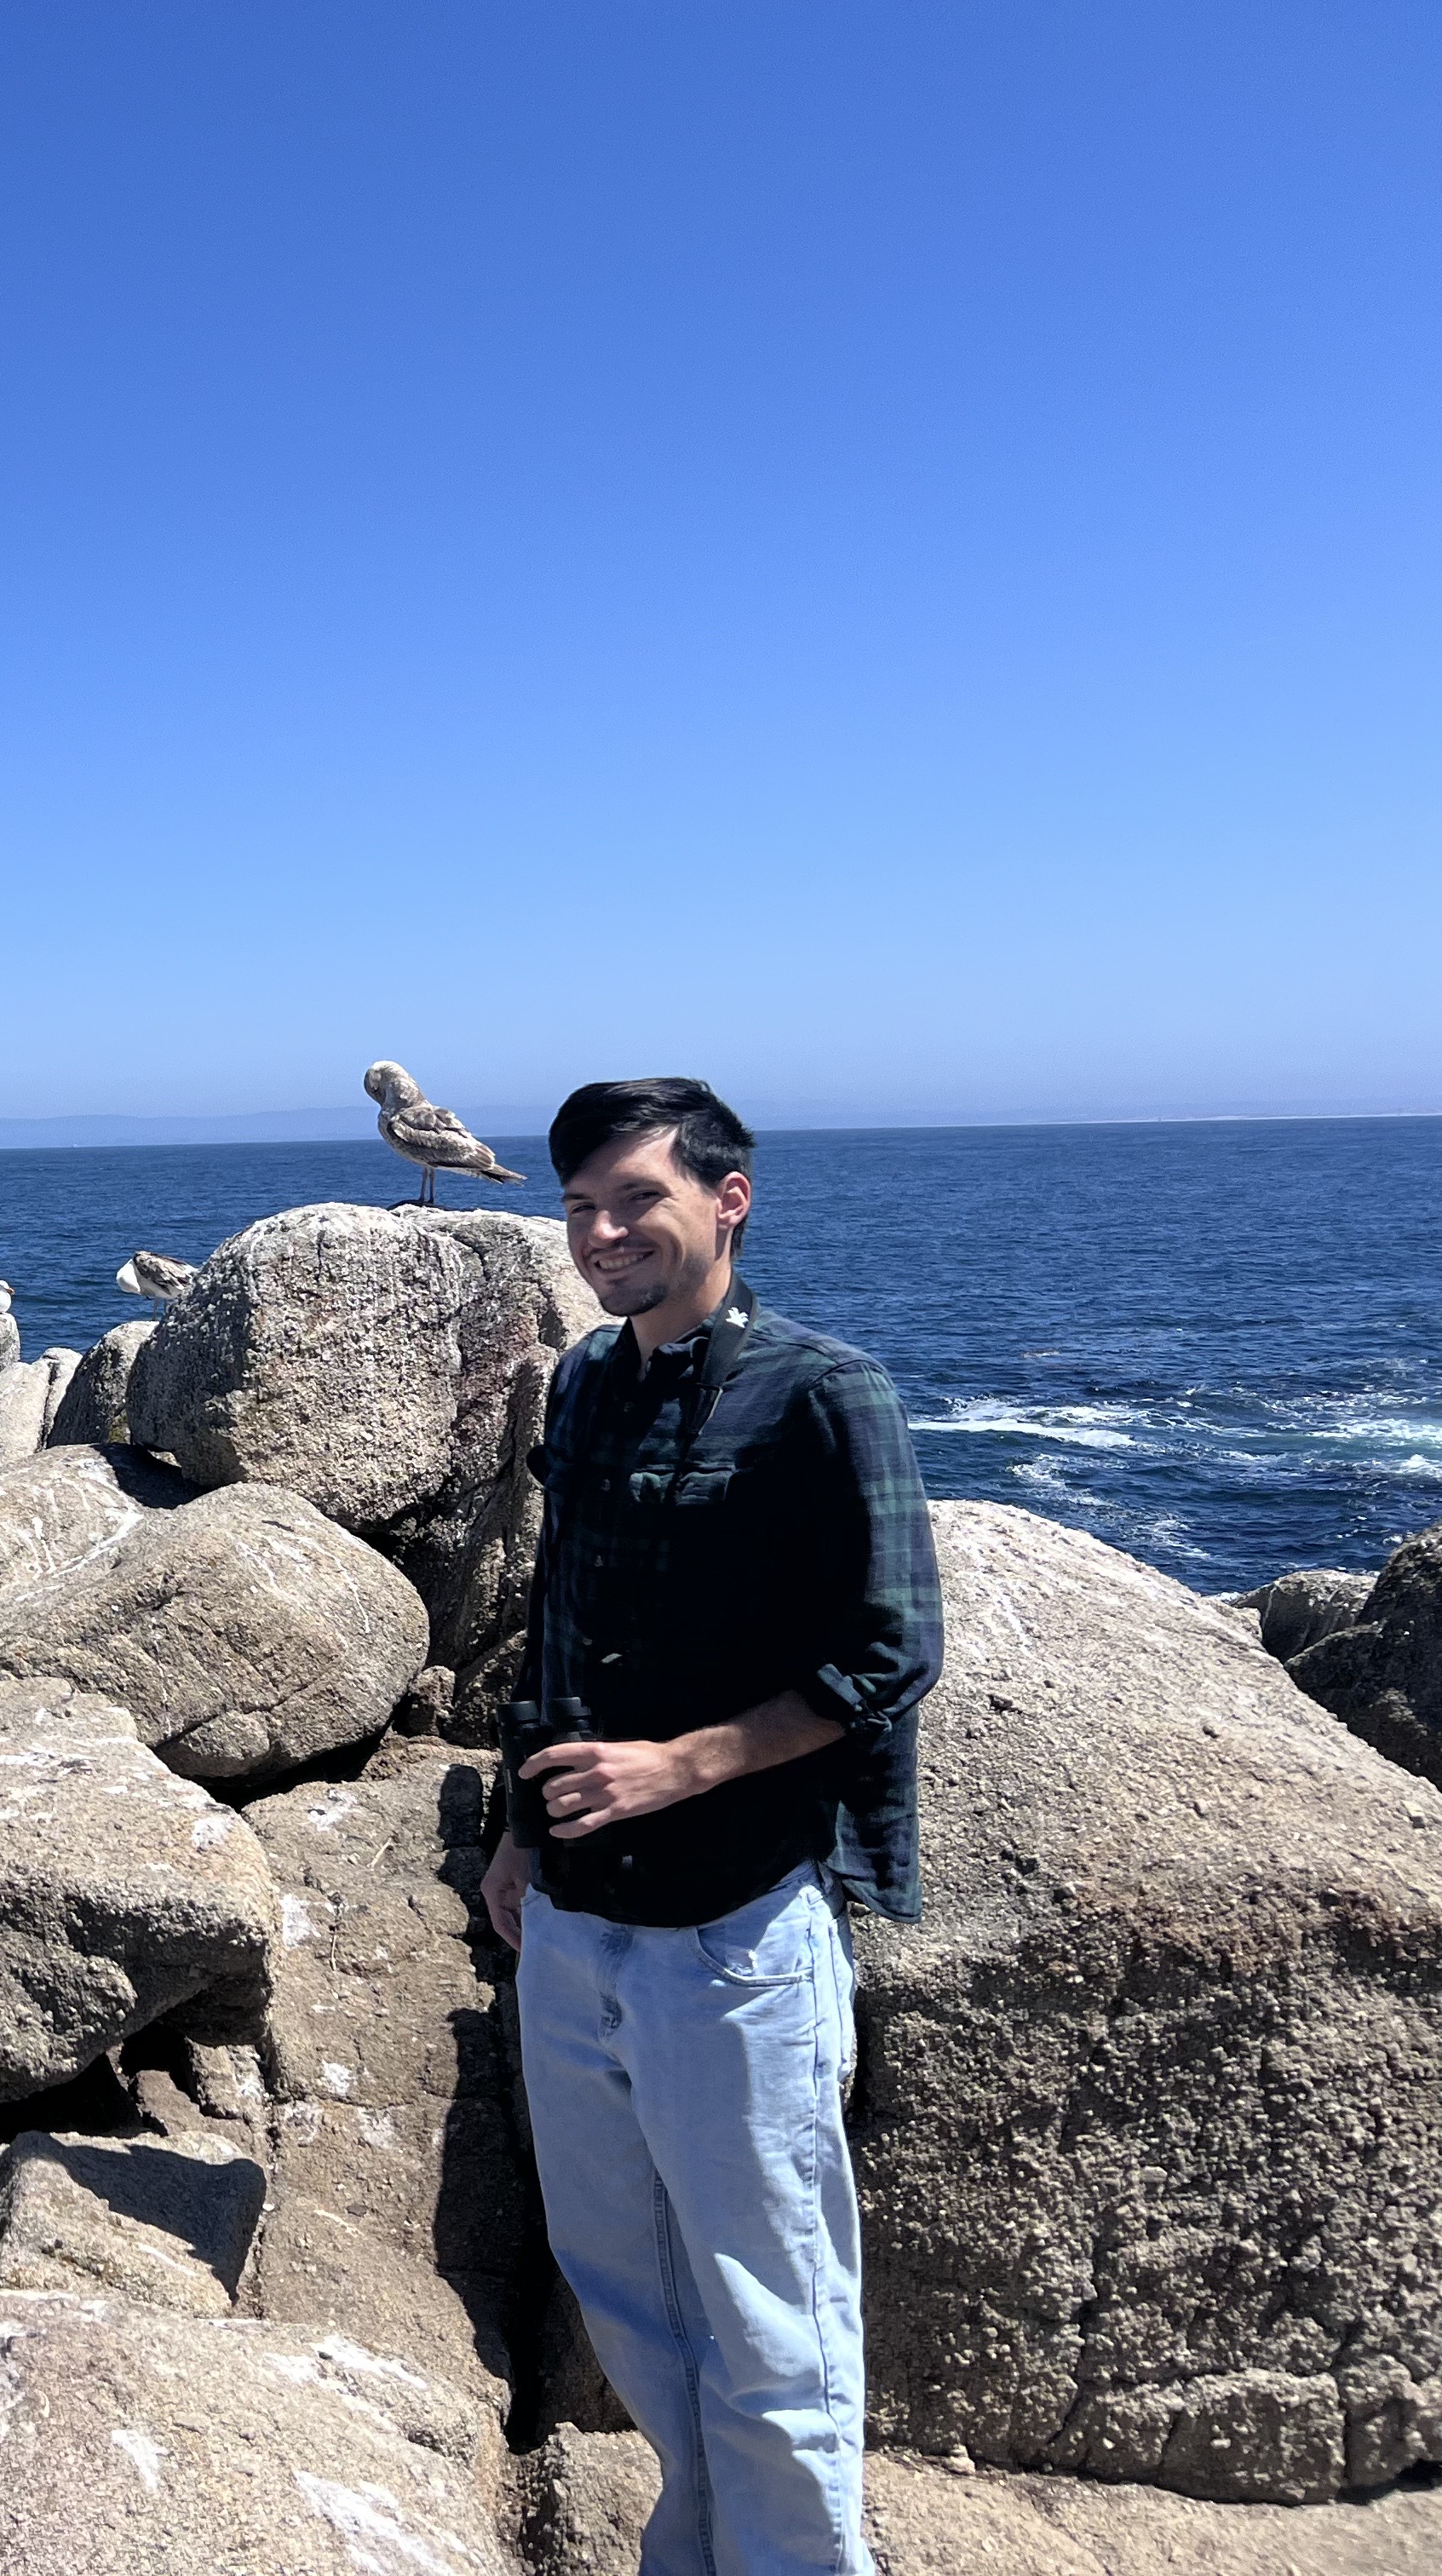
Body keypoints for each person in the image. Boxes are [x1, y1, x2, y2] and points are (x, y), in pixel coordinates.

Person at [481, 1078, 940, 2576]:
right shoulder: (587, 1384)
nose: (601, 1233)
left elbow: (890, 1652)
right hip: (573, 1919)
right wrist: (515, 1835)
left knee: (771, 2307)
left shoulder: (825, 1393)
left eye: (635, 1201)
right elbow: (556, 1629)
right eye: (579, 1208)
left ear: (727, 1201)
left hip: (732, 1930)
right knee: (622, 2286)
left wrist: (685, 1765)